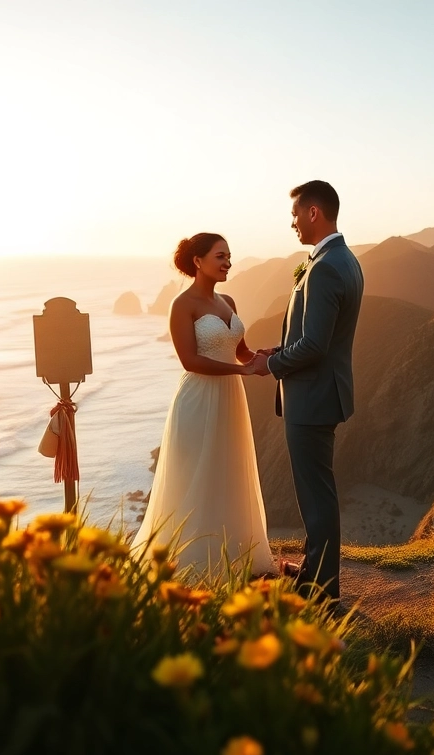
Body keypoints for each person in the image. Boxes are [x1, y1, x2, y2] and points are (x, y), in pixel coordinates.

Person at [132, 233, 276, 578]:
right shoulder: (182, 305)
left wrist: (264, 356)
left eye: (229, 256)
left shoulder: (229, 301)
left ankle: (234, 554)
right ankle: (193, 562)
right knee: (196, 474)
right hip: (198, 398)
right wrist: (241, 370)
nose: (227, 262)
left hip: (230, 396)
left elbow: (240, 350)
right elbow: (190, 360)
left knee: (227, 471)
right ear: (198, 261)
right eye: (220, 256)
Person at [251, 180, 364, 605]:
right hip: (321, 393)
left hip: (312, 397)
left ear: (314, 212)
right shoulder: (344, 259)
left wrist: (271, 364)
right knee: (319, 491)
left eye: (296, 214)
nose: (292, 222)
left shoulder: (327, 267)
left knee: (316, 495)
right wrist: (280, 349)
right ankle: (317, 571)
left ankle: (321, 589)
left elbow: (315, 346)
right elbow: (317, 337)